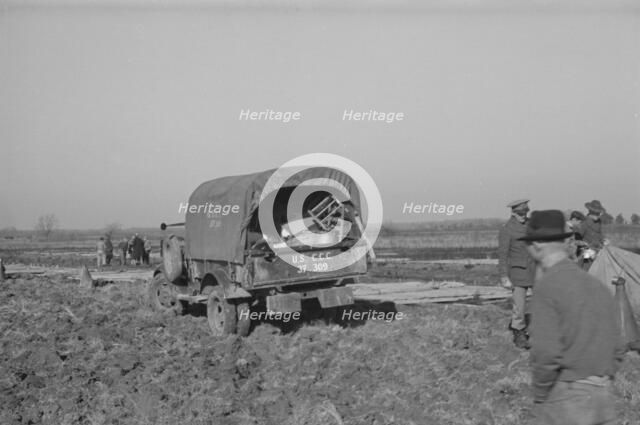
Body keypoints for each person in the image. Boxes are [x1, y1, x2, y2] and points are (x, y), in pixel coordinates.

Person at [519, 210, 624, 425]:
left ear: (537, 245)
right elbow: (619, 344)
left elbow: (546, 353)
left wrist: (540, 397)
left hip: (569, 397)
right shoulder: (595, 284)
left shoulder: (548, 286)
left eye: (529, 244)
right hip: (604, 396)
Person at [498, 199, 536, 349]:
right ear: (513, 213)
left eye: (525, 212)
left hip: (534, 270)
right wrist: (503, 276)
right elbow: (502, 254)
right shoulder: (507, 229)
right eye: (520, 213)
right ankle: (518, 332)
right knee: (519, 306)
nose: (523, 216)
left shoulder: (531, 226)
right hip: (517, 271)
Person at [581, 200, 606, 270]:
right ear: (591, 212)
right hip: (586, 255)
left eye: (599, 213)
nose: (598, 215)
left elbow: (600, 235)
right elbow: (577, 241)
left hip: (598, 254)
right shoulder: (584, 223)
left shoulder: (599, 222)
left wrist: (604, 241)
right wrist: (588, 251)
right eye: (596, 213)